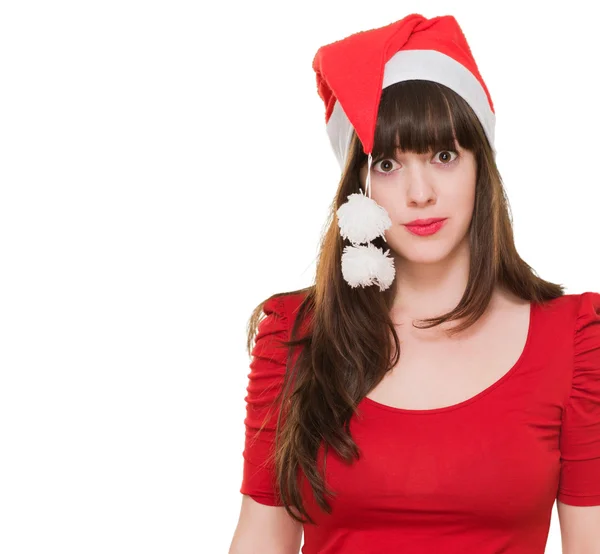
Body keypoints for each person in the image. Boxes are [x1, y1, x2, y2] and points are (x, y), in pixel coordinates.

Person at [229, 13, 600, 554]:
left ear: (481, 168)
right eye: (387, 163)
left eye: (443, 156)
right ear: (358, 187)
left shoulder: (575, 339)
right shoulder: (294, 336)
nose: (419, 192)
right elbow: (262, 541)